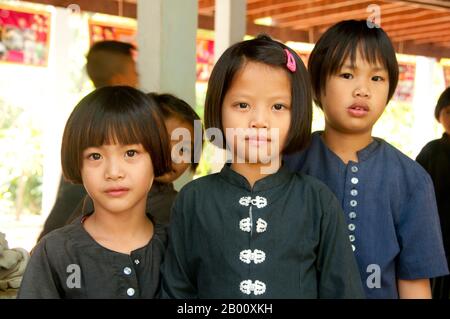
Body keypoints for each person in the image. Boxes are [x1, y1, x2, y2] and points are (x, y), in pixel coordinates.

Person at [161, 35, 365, 299]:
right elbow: (178, 293)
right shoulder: (193, 199)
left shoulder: (318, 201)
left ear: (298, 113)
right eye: (242, 105)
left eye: (278, 106)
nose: (259, 121)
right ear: (218, 108)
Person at [284, 20, 449, 299]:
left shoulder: (412, 179)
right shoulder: (285, 164)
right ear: (317, 84)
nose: (363, 89)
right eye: (347, 75)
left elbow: (413, 283)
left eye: (377, 78)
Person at [18, 86, 171, 298]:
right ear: (77, 165)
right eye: (95, 156)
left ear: (156, 159)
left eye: (130, 152)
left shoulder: (179, 248)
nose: (114, 172)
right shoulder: (55, 252)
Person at [38, 41, 139, 241]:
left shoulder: (83, 117)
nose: (138, 79)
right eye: (135, 73)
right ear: (119, 81)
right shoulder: (117, 122)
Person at [66, 92, 203, 225]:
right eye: (163, 143)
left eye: (183, 149)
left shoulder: (178, 209)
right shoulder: (106, 192)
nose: (173, 156)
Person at [416, 87, 450, 299]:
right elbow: (413, 193)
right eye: (448, 112)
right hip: (438, 239)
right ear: (439, 116)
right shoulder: (432, 151)